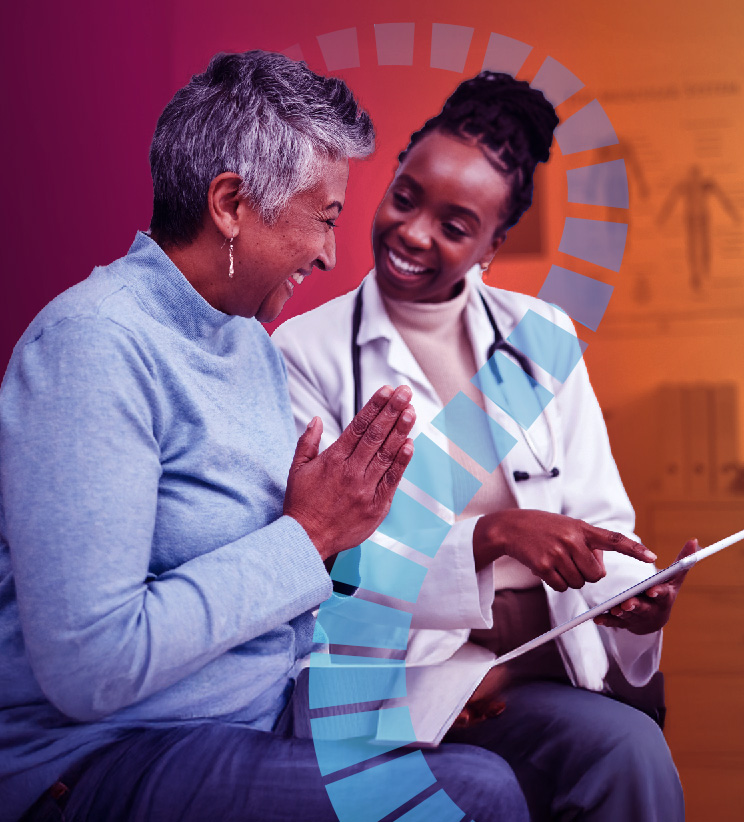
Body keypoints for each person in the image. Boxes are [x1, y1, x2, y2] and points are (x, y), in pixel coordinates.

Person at [0, 53, 533, 822]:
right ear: (230, 204)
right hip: (99, 756)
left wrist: (344, 548)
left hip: (254, 721)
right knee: (472, 796)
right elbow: (93, 667)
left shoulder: (246, 345)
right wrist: (308, 533)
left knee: (534, 752)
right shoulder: (94, 346)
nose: (327, 253)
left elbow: (272, 608)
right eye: (324, 217)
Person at [273, 71, 688, 821]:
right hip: (407, 686)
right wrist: (496, 537)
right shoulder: (306, 352)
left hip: (545, 668)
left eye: (457, 226)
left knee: (633, 752)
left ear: (495, 244)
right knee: (613, 753)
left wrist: (634, 599)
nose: (414, 232)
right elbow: (327, 558)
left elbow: (598, 520)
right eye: (406, 196)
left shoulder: (542, 339)